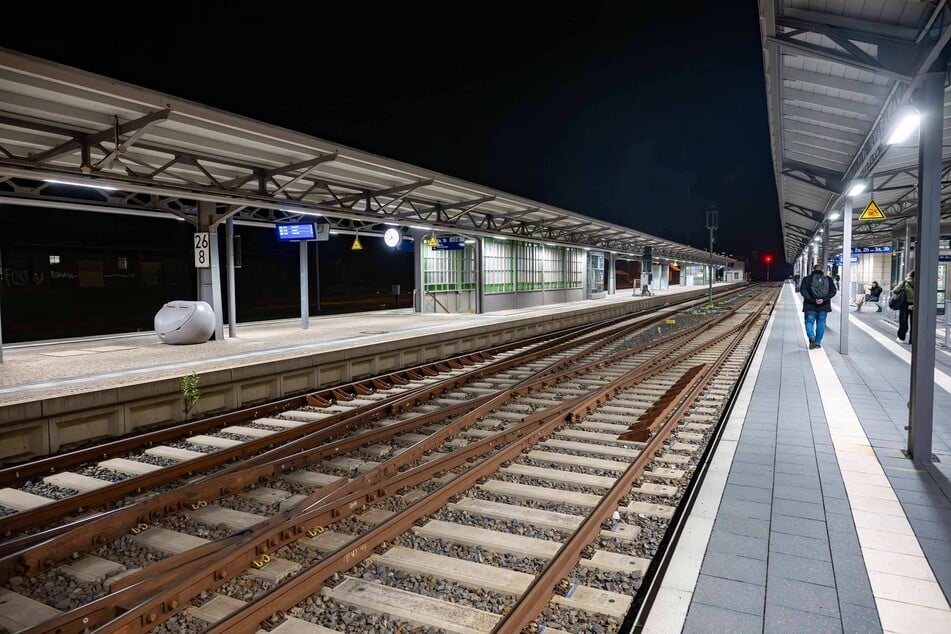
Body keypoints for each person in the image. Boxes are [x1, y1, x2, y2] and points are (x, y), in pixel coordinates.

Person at [800, 263, 837, 349]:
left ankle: (811, 337)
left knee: (809, 322)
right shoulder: (828, 279)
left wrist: (813, 300)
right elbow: (833, 291)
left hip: (810, 305)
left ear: (813, 269)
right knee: (821, 323)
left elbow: (803, 291)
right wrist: (823, 300)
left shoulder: (807, 279)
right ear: (822, 270)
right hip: (823, 306)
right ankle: (817, 343)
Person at [893, 270, 915, 343]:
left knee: (903, 321)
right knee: (915, 323)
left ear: (909, 275)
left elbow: (895, 290)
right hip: (916, 304)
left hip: (905, 304)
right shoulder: (920, 282)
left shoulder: (904, 282)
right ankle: (912, 340)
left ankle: (901, 338)